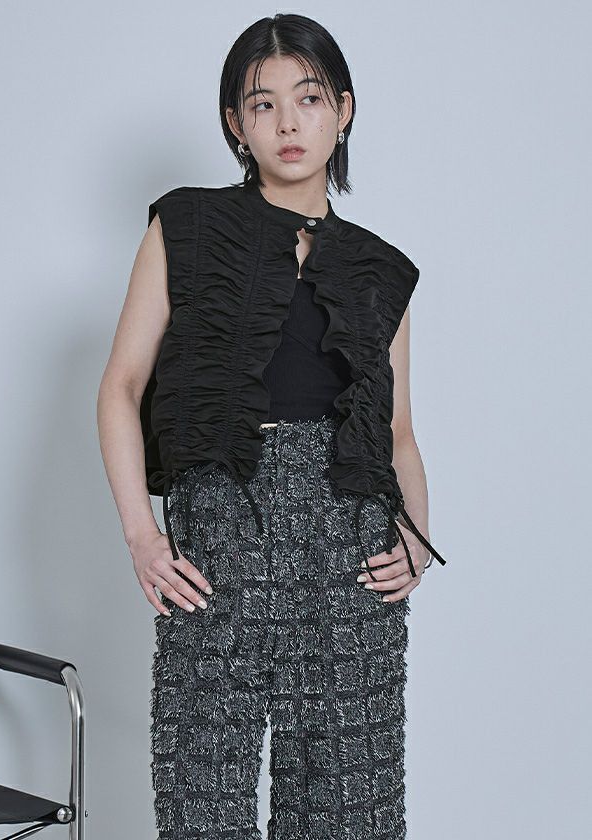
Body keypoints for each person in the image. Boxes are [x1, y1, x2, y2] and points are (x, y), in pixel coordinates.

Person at [97, 13, 447, 840]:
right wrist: (142, 536)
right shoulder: (184, 227)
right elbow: (121, 386)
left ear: (343, 111)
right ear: (236, 123)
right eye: (263, 103)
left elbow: (397, 433)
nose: (289, 123)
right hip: (221, 542)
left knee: (350, 816)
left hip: (349, 555)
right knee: (201, 808)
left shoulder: (381, 270)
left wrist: (417, 538)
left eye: (309, 98)